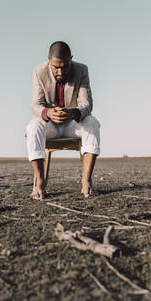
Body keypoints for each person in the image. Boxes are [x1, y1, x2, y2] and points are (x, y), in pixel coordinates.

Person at [26, 41, 101, 200]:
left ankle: (86, 182)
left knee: (92, 123)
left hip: (73, 124)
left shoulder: (81, 70)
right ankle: (39, 183)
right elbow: (35, 106)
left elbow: (87, 104)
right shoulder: (38, 72)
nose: (60, 71)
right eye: (55, 67)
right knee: (33, 126)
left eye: (64, 66)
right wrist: (48, 113)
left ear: (71, 60)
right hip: (50, 125)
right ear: (48, 60)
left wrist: (72, 112)